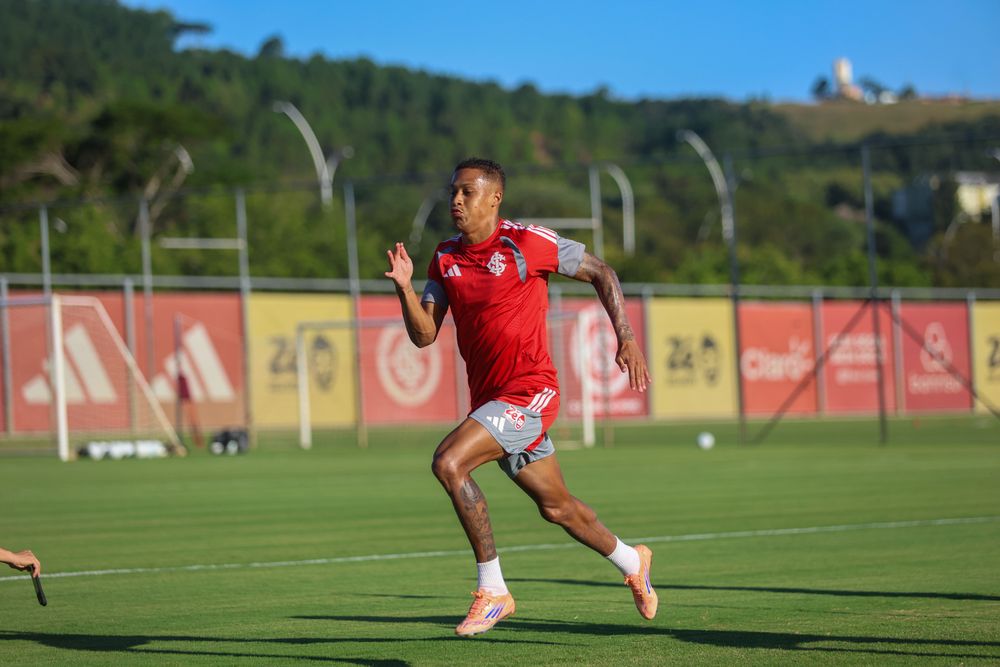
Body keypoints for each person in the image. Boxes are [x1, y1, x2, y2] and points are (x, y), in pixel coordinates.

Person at [385, 157, 656, 637]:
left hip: (531, 393)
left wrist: (627, 338)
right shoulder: (444, 259)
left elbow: (602, 272)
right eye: (453, 192)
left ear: (495, 198)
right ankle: (633, 560)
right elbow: (424, 335)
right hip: (491, 403)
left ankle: (494, 590)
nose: (456, 201)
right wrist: (405, 288)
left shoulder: (527, 242)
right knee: (558, 508)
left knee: (449, 462)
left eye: (467, 192)